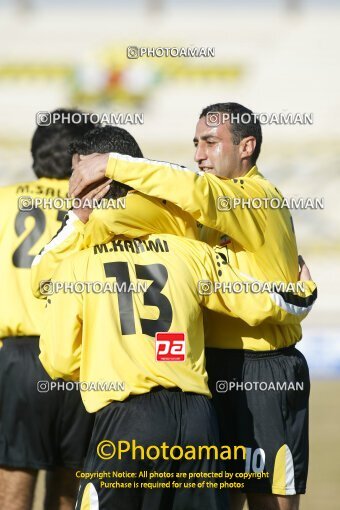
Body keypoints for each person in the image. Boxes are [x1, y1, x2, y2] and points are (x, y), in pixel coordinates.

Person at [39, 129, 316, 510]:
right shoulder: (190, 251)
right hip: (197, 417)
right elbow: (256, 301)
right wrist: (303, 293)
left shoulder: (76, 266)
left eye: (79, 179)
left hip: (124, 419)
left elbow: (58, 360)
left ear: (98, 190)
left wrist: (104, 364)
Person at [0, 109, 96, 510]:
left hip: (18, 360)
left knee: (14, 476)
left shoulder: (4, 201)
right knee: (70, 478)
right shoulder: (97, 210)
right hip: (81, 358)